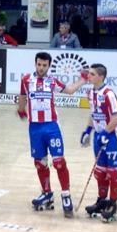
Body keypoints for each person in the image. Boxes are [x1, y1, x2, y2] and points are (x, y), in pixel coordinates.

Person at [17, 52, 88, 218]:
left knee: (59, 162)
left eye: (44, 65)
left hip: (51, 127)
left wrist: (83, 79)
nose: (41, 68)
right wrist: (20, 110)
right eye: (39, 64)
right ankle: (47, 193)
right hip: (34, 128)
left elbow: (69, 90)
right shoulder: (26, 80)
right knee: (40, 163)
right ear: (35, 64)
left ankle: (66, 195)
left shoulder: (52, 81)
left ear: (49, 66)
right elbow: (22, 97)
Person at [81, 63, 117, 222]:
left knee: (113, 173)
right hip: (99, 136)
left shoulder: (108, 94)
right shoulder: (90, 92)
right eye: (89, 73)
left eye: (92, 74)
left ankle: (112, 206)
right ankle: (101, 202)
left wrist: (105, 133)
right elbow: (93, 114)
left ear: (101, 76)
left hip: (113, 136)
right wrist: (88, 131)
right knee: (100, 172)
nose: (89, 76)